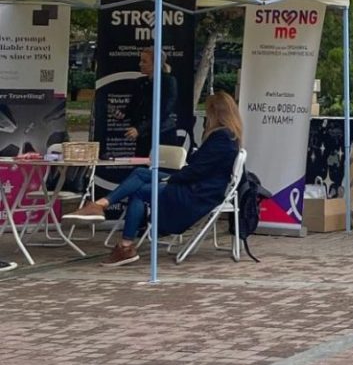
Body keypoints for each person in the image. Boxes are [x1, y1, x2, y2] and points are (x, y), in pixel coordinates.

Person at [63, 91, 241, 267]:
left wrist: (170, 180)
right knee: (140, 173)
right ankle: (101, 207)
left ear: (216, 114)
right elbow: (199, 168)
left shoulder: (221, 138)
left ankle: (123, 243)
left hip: (197, 192)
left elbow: (198, 170)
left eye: (208, 113)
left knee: (139, 192)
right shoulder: (228, 136)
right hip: (194, 183)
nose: (205, 118)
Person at [124, 47, 179, 156]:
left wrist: (140, 129)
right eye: (140, 61)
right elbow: (134, 106)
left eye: (144, 61)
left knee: (160, 164)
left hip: (162, 134)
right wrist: (123, 113)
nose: (140, 64)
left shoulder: (168, 82)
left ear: (156, 64)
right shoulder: (141, 83)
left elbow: (163, 111)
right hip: (144, 136)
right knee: (140, 163)